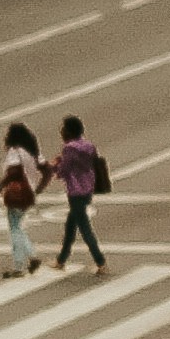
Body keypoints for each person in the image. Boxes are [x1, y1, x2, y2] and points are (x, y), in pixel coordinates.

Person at [51, 114, 110, 271]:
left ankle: (100, 261)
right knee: (70, 226)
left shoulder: (69, 148)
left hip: (75, 191)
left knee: (84, 227)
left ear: (68, 132)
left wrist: (55, 166)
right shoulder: (88, 146)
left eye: (63, 129)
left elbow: (64, 170)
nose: (61, 132)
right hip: (88, 188)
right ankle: (61, 260)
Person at [0, 123, 44, 273]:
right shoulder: (31, 152)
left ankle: (19, 265)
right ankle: (31, 256)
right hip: (29, 193)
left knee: (15, 229)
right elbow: (45, 169)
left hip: (18, 194)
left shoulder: (15, 152)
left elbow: (14, 172)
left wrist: (0, 184)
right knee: (18, 227)